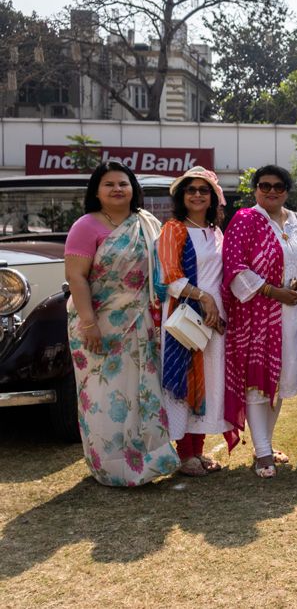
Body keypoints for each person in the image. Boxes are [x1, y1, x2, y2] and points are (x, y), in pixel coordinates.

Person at [64, 162, 179, 486]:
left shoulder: (146, 223)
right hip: (97, 323)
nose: (117, 189)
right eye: (109, 184)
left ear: (133, 189)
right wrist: (89, 325)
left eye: (123, 183)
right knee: (103, 398)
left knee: (141, 392)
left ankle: (150, 460)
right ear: (96, 192)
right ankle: (111, 468)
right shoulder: (86, 226)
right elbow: (76, 276)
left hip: (141, 323)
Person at [222, 165, 297, 478]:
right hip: (256, 314)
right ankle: (263, 453)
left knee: (278, 383)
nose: (271, 191)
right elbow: (235, 267)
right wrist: (271, 291)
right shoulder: (245, 220)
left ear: (287, 191)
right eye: (264, 185)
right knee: (258, 382)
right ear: (255, 190)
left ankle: (263, 445)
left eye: (278, 186)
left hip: (290, 315)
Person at [159, 167, 230, 477]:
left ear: (213, 197)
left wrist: (219, 311)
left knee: (208, 385)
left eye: (204, 190)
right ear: (182, 197)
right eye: (191, 190)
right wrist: (205, 299)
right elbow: (169, 277)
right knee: (186, 384)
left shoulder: (216, 231)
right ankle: (184, 455)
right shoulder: (174, 229)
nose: (198, 194)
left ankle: (198, 453)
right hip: (186, 315)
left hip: (216, 319)